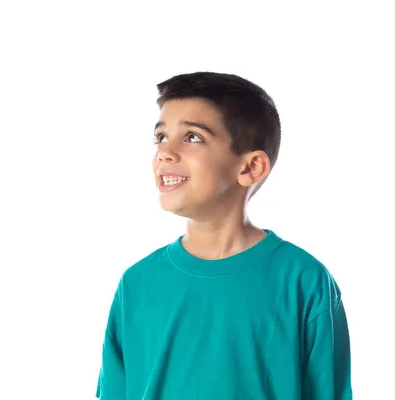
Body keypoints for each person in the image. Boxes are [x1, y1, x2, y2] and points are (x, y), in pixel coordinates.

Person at [95, 72, 352, 399]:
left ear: (250, 168)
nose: (165, 153)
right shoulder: (136, 284)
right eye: (160, 137)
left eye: (192, 137)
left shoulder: (303, 281)